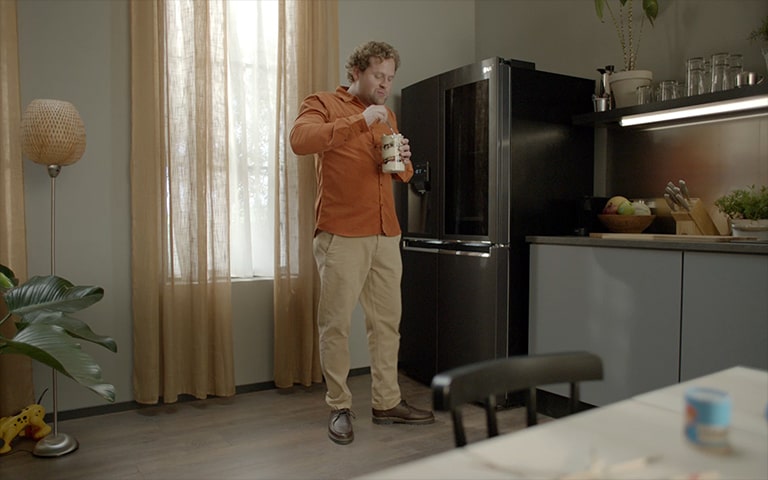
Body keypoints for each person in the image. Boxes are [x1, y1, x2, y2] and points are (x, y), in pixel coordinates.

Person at [289, 40, 434, 445]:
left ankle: (387, 402)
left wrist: (404, 156)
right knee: (334, 324)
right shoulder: (322, 103)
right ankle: (339, 406)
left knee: (387, 324)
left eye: (390, 78)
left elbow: (399, 174)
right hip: (341, 233)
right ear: (356, 72)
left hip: (386, 233)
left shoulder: (388, 114)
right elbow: (300, 140)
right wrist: (359, 121)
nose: (385, 85)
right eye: (378, 76)